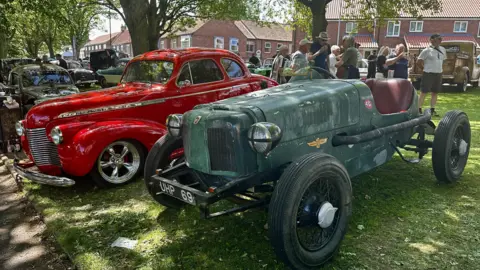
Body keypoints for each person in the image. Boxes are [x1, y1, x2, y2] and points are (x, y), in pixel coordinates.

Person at [417, 33, 446, 116]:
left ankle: (432, 110)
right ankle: (418, 110)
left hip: (438, 73)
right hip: (428, 73)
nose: (440, 40)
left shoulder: (443, 49)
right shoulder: (426, 50)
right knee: (424, 92)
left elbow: (443, 61)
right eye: (438, 39)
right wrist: (424, 69)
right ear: (432, 40)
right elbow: (418, 62)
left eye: (441, 39)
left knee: (435, 92)